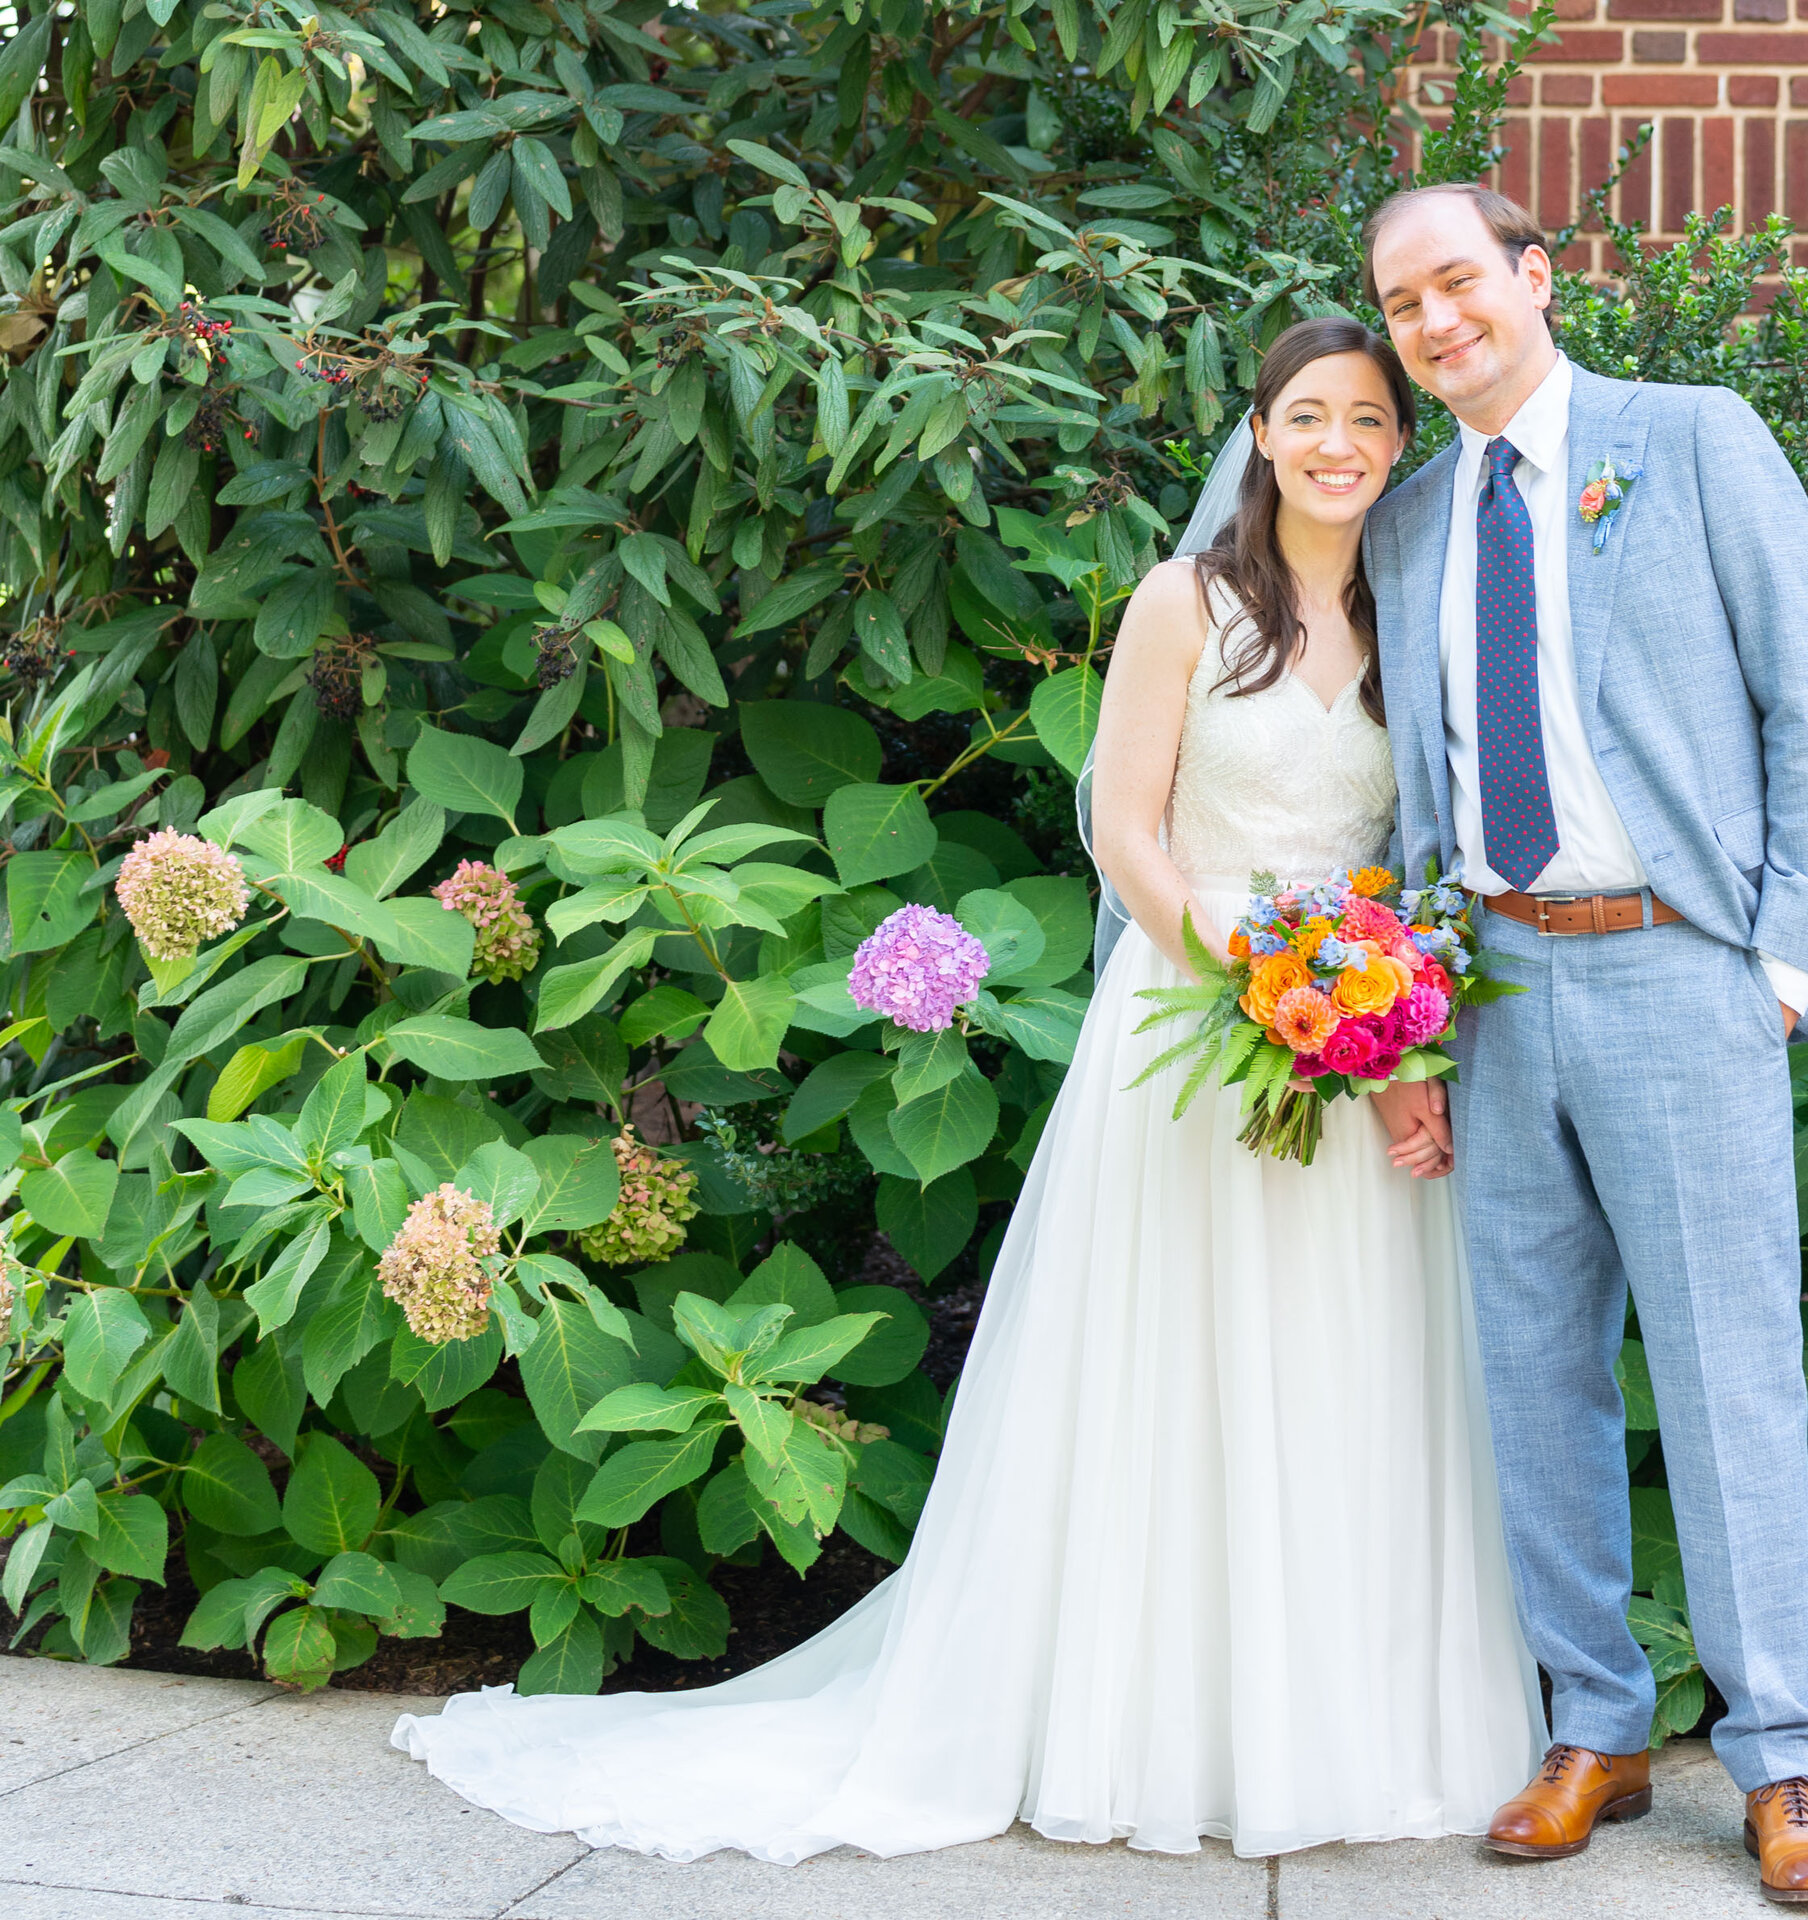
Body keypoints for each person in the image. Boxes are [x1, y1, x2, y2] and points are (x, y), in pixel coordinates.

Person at [388, 314, 1547, 1863]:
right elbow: (1130, 838)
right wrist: (1270, 987)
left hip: (1360, 1038)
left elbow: (1417, 858)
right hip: (1200, 1025)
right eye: (1310, 415)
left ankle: (1342, 1727)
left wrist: (1386, 1039)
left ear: (1402, 447)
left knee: (1351, 1370)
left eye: (1371, 422)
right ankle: (1153, 1728)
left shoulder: (1416, 617)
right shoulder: (1183, 601)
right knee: (1184, 1375)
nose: (1341, 444)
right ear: (1260, 433)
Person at [1358, 183, 1808, 1905]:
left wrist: (1784, 967)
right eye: (1401, 305)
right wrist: (1415, 1018)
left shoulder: (1694, 439)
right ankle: (1596, 1724)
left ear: (1534, 278)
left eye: (1457, 284)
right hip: (1498, 990)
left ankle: (1782, 1756)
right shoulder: (1415, 516)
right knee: (1535, 1381)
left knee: (1730, 1378)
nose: (1435, 324)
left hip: (1680, 979)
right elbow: (1422, 791)